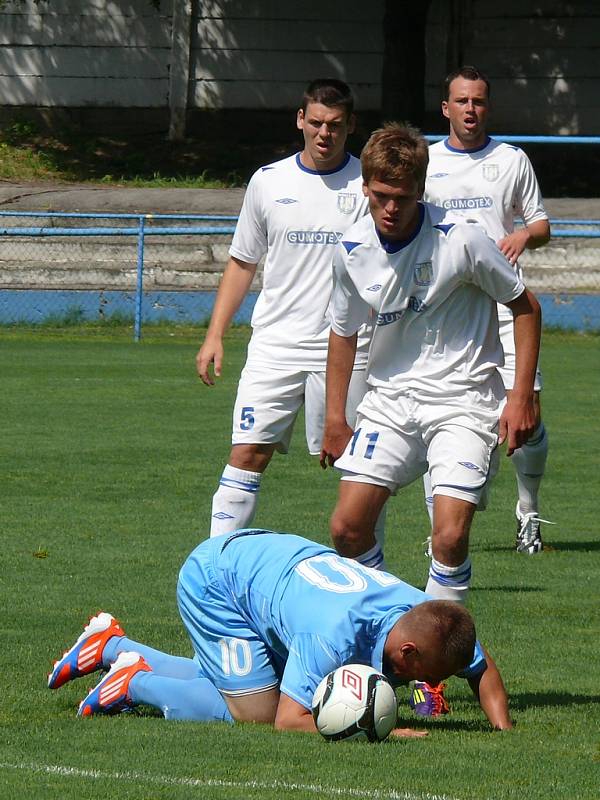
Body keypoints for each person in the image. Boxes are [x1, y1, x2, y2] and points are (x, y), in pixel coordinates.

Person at [48, 529, 512, 732]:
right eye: (429, 674)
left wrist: (503, 729)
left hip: (270, 563)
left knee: (242, 686)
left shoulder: (428, 616)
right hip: (218, 581)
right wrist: (383, 730)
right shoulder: (332, 636)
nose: (430, 685)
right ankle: (135, 682)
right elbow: (289, 722)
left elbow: (480, 664)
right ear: (408, 651)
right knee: (254, 711)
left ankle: (110, 645)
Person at [195, 78, 372, 540]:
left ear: (350, 126)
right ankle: (216, 567)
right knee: (247, 453)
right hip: (275, 346)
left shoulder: (371, 186)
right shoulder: (269, 182)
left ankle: (366, 582)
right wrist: (215, 334)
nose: (324, 133)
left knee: (357, 469)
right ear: (300, 120)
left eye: (335, 125)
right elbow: (242, 262)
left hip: (349, 349)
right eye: (315, 122)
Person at [423, 66, 551, 554]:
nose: (469, 110)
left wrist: (522, 233)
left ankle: (528, 512)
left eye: (477, 101)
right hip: (446, 311)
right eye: (461, 101)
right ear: (446, 108)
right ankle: (441, 529)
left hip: (506, 305)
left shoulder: (511, 160)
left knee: (526, 419)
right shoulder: (427, 162)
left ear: (486, 107)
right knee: (440, 409)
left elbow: (541, 225)